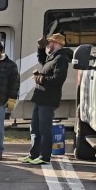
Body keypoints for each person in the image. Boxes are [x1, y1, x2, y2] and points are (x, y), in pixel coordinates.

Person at [25, 31, 72, 165]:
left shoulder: (61, 59)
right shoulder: (52, 57)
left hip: (48, 99)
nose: (47, 45)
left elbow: (58, 79)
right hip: (40, 97)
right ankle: (34, 154)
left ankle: (44, 157)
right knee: (35, 128)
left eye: (49, 42)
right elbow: (43, 61)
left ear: (56, 43)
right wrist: (40, 48)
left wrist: (41, 79)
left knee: (44, 129)